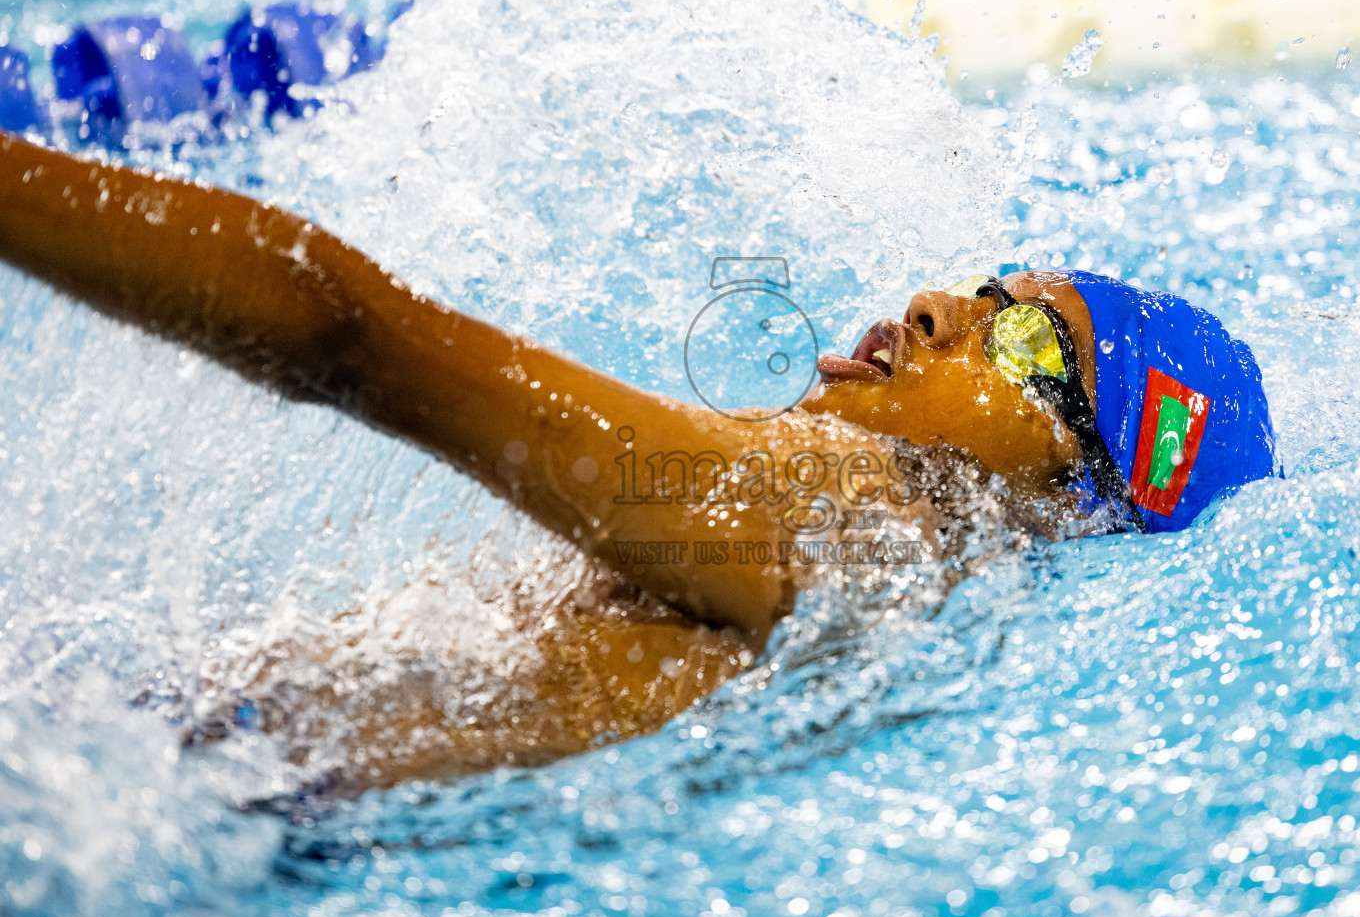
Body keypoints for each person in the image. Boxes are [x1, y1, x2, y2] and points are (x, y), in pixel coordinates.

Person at [0, 132, 1277, 788]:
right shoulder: (901, 604)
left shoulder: (876, 522)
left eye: (1024, 339)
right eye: (988, 284)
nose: (940, 304)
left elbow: (352, 338)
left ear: (1076, 488)